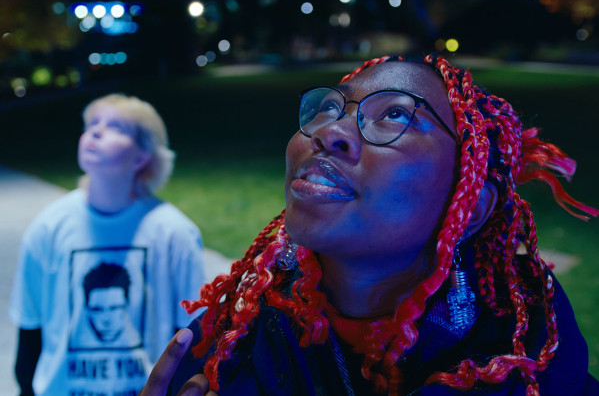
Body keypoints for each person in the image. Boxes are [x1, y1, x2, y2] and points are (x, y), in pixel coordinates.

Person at [142, 54, 599, 396]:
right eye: (329, 109)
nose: (328, 131)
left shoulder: (537, 366)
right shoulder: (226, 342)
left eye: (396, 114)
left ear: (471, 206)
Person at [9, 94, 206, 395]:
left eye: (115, 127)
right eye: (92, 124)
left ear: (142, 157)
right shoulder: (48, 227)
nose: (95, 132)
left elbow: (193, 335)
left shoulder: (174, 233)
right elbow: (30, 327)